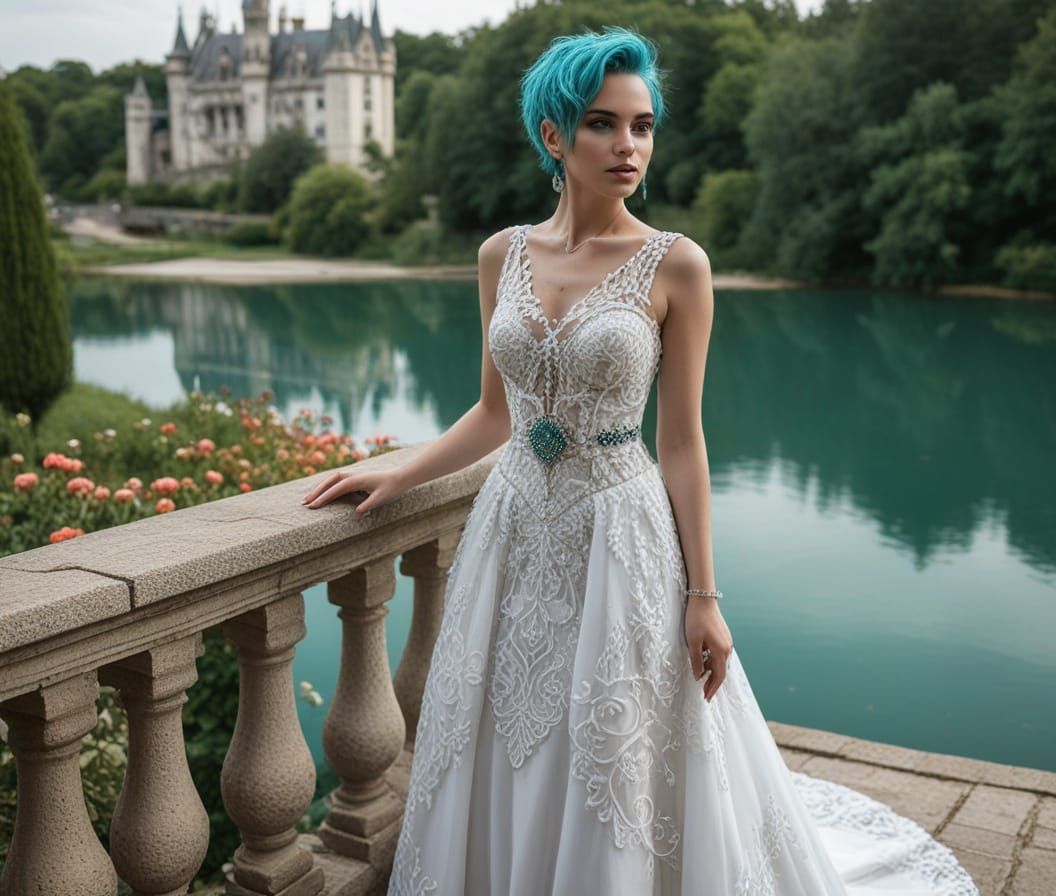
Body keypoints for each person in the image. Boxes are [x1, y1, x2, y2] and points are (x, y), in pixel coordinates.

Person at [303, 28, 978, 896]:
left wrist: (705, 596)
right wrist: (397, 474)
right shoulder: (500, 256)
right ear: (553, 136)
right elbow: (497, 413)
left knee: (609, 745)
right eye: (603, 124)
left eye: (643, 126)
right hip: (512, 532)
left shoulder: (677, 265)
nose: (628, 146)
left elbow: (684, 442)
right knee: (503, 731)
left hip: (620, 535)